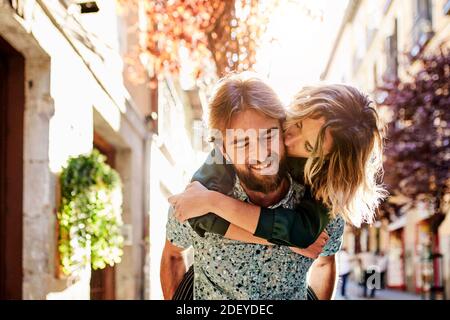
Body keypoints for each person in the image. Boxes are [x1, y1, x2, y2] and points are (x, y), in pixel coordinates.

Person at [168, 77, 386, 299]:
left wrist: (214, 203)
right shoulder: (220, 164)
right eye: (298, 124)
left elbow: (310, 244)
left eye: (309, 146)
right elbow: (194, 216)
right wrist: (211, 201)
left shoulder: (325, 189)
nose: (290, 140)